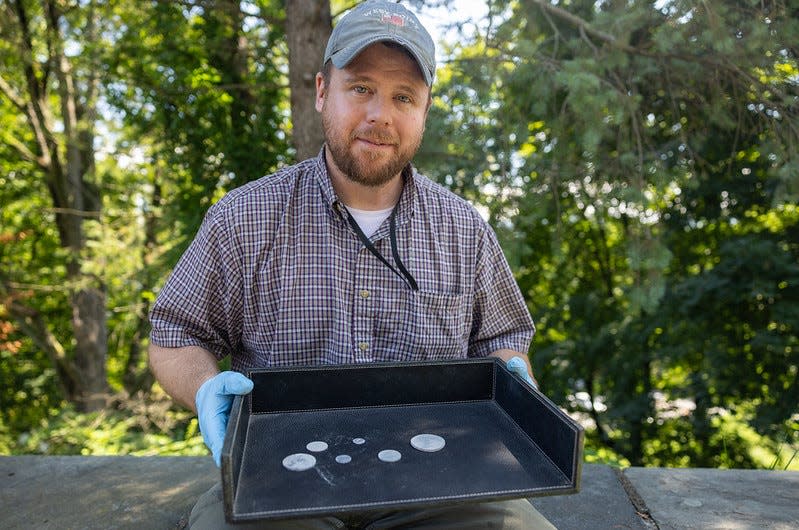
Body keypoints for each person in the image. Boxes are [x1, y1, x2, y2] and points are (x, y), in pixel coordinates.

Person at [148, 1, 553, 528]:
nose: (379, 114)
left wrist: (511, 373)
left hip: (444, 483)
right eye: (360, 87)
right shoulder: (242, 219)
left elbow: (501, 340)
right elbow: (175, 334)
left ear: (424, 112)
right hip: (277, 482)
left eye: (403, 97)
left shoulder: (463, 228)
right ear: (322, 91)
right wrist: (204, 388)